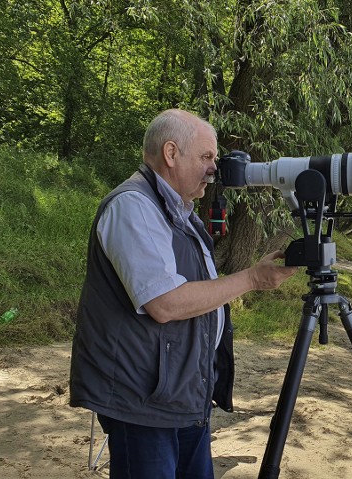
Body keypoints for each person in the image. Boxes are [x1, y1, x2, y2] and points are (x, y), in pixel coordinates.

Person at [69, 109, 298, 478]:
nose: (214, 168)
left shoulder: (179, 211)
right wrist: (253, 279)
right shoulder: (133, 206)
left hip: (180, 392)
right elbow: (164, 302)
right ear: (171, 153)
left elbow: (197, 289)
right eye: (206, 157)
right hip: (142, 399)